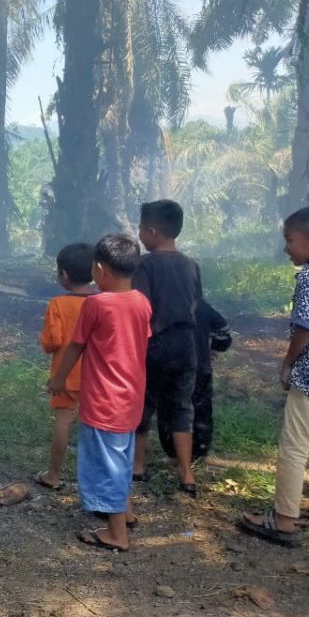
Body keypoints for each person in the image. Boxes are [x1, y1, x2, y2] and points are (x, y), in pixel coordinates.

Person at [239, 206, 309, 544]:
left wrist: (288, 364)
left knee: (294, 447)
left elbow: (304, 330)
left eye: (290, 240)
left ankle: (284, 518)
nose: (286, 248)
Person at [49, 234, 151, 553]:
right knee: (120, 456)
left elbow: (76, 346)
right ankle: (127, 511)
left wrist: (59, 378)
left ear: (100, 269)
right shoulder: (141, 302)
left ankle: (116, 534)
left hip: (104, 398)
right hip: (131, 396)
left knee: (106, 464)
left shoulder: (97, 304)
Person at [131, 199, 203, 495]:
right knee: (181, 408)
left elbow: (140, 307)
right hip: (186, 346)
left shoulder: (144, 265)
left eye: (140, 228)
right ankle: (186, 474)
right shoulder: (191, 265)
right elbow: (196, 303)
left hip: (153, 345)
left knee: (142, 405)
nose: (139, 234)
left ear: (151, 231)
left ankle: (136, 467)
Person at [34, 243, 96, 491]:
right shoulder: (103, 301)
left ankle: (54, 475)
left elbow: (53, 341)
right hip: (97, 375)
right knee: (94, 426)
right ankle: (93, 480)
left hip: (66, 375)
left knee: (63, 421)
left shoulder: (58, 304)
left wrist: (44, 343)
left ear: (64, 275)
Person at [158, 299, 232, 461]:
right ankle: (199, 451)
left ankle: (174, 453)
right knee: (201, 411)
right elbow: (224, 334)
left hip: (171, 368)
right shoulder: (201, 305)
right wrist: (213, 348)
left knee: (169, 411)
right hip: (200, 369)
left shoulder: (163, 303)